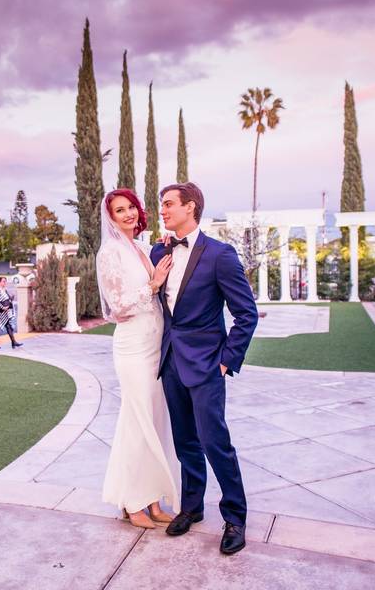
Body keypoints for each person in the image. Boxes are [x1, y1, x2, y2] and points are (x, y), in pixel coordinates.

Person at [150, 181, 258, 555]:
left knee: (216, 442)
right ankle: (192, 507)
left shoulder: (220, 255)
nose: (162, 210)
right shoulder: (157, 251)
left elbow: (246, 314)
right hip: (171, 362)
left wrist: (227, 360)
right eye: (161, 205)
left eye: (168, 204)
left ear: (190, 207)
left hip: (207, 364)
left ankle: (235, 517)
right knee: (185, 443)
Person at [96, 188, 181, 529]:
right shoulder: (109, 253)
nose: (128, 213)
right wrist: (153, 284)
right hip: (132, 346)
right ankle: (132, 503)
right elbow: (118, 307)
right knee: (137, 421)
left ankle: (152, 500)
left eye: (131, 207)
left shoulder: (141, 247)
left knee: (156, 423)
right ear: (112, 218)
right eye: (120, 210)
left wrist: (165, 248)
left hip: (156, 343)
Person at [0, 277, 22, 349]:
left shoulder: (4, 289)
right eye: (3, 281)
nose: (5, 283)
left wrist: (11, 298)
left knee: (8, 326)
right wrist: (3, 307)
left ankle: (13, 342)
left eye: (5, 281)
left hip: (4, 312)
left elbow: (7, 299)